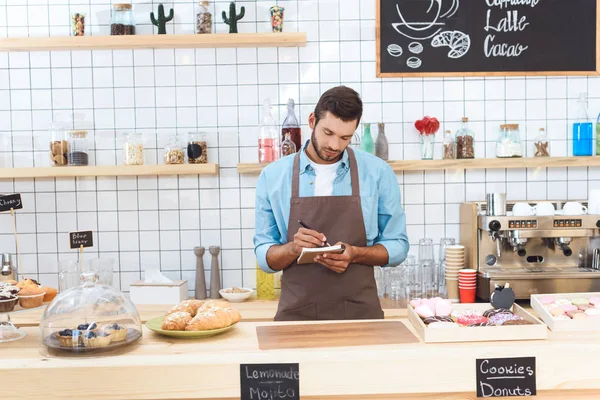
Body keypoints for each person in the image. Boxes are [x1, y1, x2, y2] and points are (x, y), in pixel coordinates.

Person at [253, 85, 409, 321]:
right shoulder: (273, 176)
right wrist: (293, 248)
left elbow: (398, 246)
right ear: (312, 120)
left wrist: (355, 254)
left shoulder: (377, 173)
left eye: (345, 137)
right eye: (328, 133)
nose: (335, 145)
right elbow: (265, 257)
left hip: (361, 316)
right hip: (296, 317)